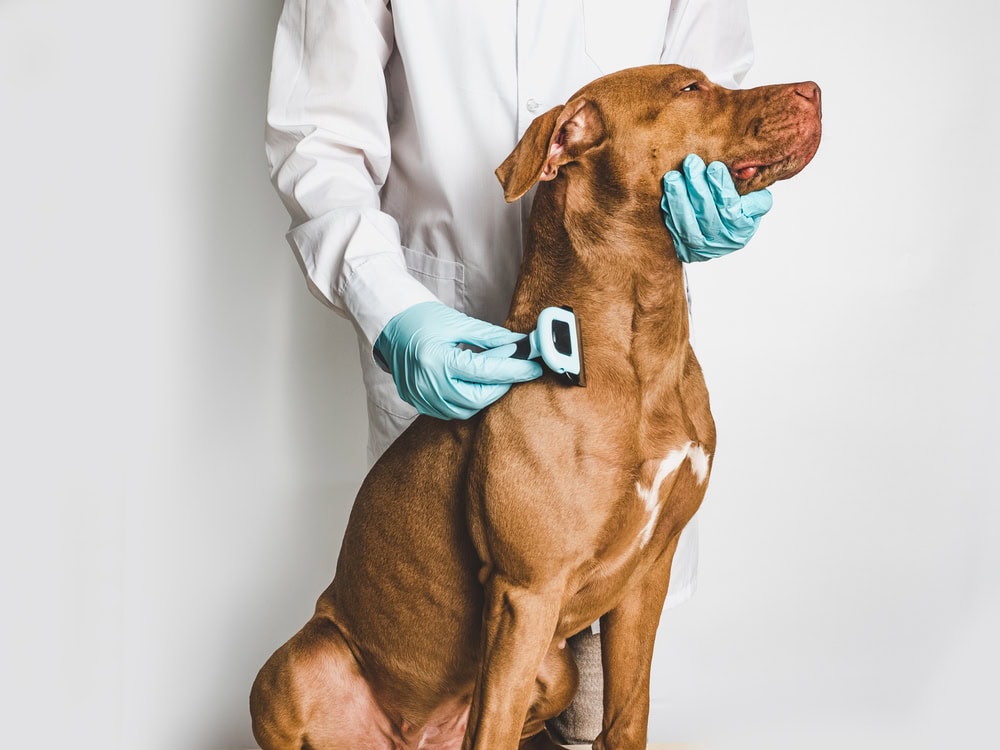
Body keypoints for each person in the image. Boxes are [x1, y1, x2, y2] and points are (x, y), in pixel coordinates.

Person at [265, 0, 772, 742]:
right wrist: (392, 308)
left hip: (634, 334)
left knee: (583, 706)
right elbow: (319, 132)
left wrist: (727, 188)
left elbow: (711, 88)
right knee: (447, 600)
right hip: (446, 314)